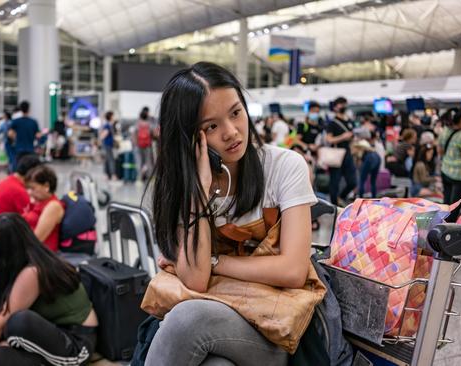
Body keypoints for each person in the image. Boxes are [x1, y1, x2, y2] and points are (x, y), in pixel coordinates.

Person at [145, 62, 316, 365]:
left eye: (236, 113)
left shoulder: (284, 166)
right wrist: (198, 195)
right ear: (188, 138)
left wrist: (214, 261)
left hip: (272, 327)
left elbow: (293, 270)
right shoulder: (185, 185)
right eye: (211, 126)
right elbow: (196, 282)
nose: (232, 132)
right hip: (218, 321)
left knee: (187, 318)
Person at [0, 213, 98, 366]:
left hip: (75, 345)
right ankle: (13, 347)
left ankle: (14, 348)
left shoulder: (31, 272)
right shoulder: (22, 261)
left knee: (11, 331)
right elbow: (1, 313)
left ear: (1, 248)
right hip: (47, 330)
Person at [438, 108, 461, 218]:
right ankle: (450, 231)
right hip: (460, 175)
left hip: (446, 171)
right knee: (456, 205)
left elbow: (440, 151)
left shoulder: (445, 130)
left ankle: (442, 226)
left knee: (447, 202)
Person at [22, 165, 64, 252]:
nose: (29, 192)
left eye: (33, 188)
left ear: (46, 186)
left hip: (41, 256)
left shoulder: (53, 206)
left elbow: (37, 239)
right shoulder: (39, 202)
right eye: (28, 188)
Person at [326, 96, 357, 205]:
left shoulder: (349, 121)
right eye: (341, 104)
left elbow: (352, 137)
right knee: (334, 181)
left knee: (353, 181)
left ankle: (341, 197)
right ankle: (334, 205)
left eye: (344, 104)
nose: (343, 106)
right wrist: (343, 137)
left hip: (348, 153)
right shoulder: (332, 123)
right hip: (337, 154)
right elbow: (329, 139)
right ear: (335, 107)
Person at [136, 106, 155, 181]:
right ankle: (150, 178)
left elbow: (134, 134)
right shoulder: (149, 124)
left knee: (140, 161)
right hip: (148, 145)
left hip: (139, 145)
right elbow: (153, 133)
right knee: (149, 162)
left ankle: (139, 178)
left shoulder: (138, 124)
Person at [100, 111, 116, 181]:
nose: (114, 117)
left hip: (108, 145)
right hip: (107, 145)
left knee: (107, 160)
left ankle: (107, 175)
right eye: (113, 116)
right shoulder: (107, 125)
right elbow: (103, 135)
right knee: (111, 160)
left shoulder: (109, 125)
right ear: (110, 117)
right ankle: (113, 175)